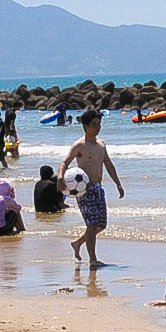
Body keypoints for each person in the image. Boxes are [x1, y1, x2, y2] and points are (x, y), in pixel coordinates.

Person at [56, 110, 125, 269]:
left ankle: (78, 243)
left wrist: (118, 184)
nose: (98, 127)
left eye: (99, 123)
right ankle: (93, 260)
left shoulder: (101, 144)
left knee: (102, 224)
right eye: (94, 124)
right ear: (86, 126)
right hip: (84, 190)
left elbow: (108, 164)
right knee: (92, 225)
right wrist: (60, 177)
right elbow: (65, 162)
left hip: (98, 188)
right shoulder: (80, 145)